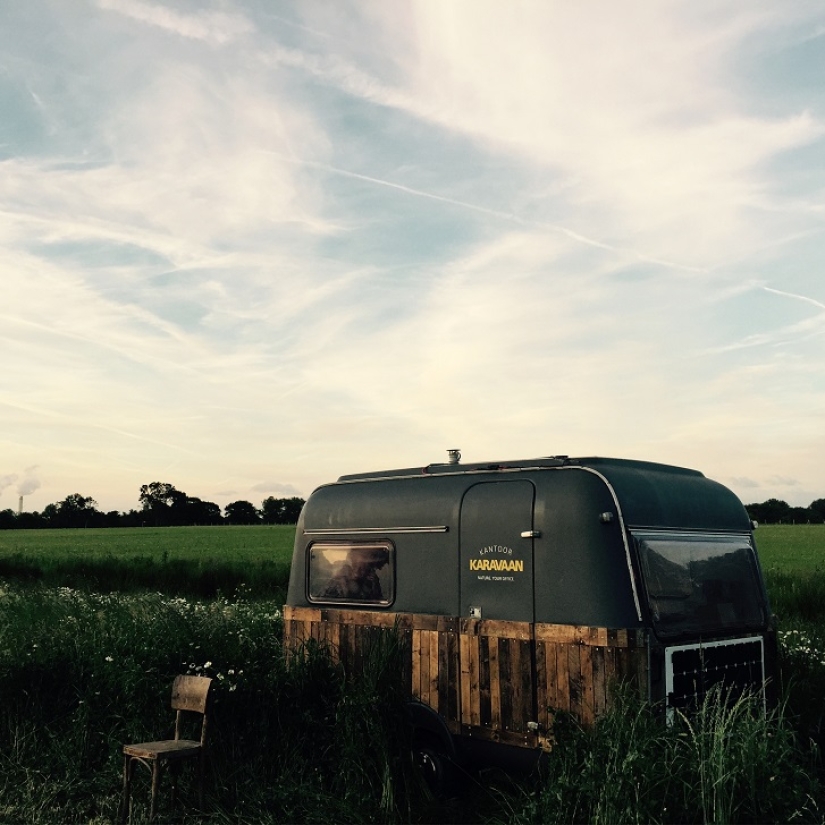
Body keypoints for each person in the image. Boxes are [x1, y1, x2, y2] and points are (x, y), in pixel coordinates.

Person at [322, 546, 389, 601]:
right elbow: (325, 600)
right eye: (356, 565)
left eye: (363, 567)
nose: (358, 571)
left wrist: (374, 584)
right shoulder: (339, 579)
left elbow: (378, 600)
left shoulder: (371, 580)